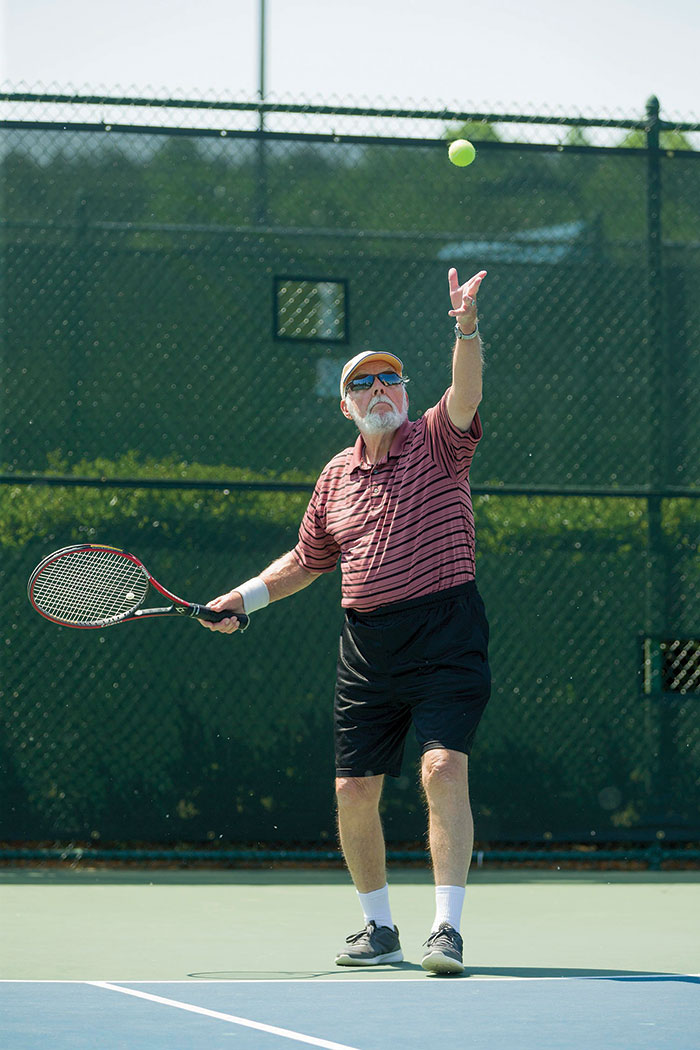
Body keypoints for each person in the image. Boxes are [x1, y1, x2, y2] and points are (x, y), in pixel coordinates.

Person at [201, 267, 491, 975]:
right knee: (353, 788)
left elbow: (470, 389)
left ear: (407, 395)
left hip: (446, 629)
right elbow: (306, 560)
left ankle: (445, 931)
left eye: (389, 380)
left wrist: (466, 327)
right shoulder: (335, 476)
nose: (378, 391)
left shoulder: (438, 441)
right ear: (345, 407)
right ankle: (378, 927)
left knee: (442, 766)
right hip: (366, 646)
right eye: (362, 384)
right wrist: (242, 599)